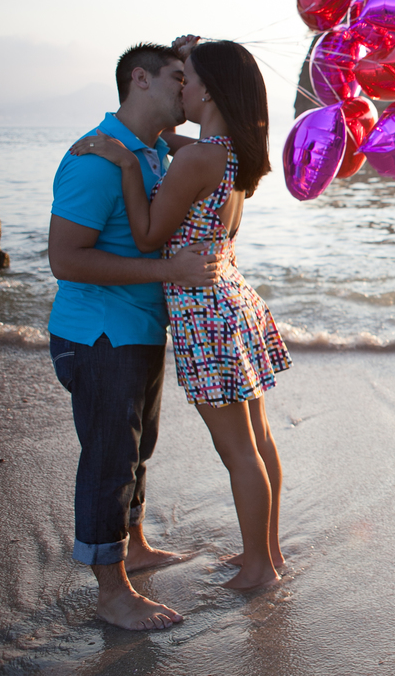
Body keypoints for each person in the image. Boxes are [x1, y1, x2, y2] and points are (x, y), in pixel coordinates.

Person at [72, 37, 291, 593]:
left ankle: (259, 569)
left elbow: (147, 232)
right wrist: (191, 53)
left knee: (238, 450)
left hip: (204, 314)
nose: (180, 87)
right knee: (260, 442)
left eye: (187, 78)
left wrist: (124, 161)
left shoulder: (196, 158)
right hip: (232, 302)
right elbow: (177, 138)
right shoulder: (230, 152)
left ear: (210, 91)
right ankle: (265, 554)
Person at [48, 42, 221, 631]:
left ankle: (136, 544)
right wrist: (167, 272)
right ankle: (111, 592)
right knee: (109, 458)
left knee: (137, 448)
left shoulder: (148, 154)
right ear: (140, 80)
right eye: (178, 78)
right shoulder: (95, 158)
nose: (186, 89)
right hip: (98, 334)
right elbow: (65, 259)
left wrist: (191, 56)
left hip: (138, 329)